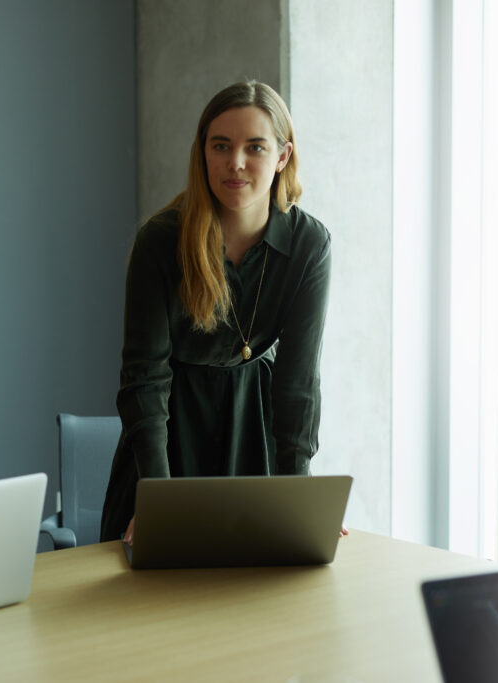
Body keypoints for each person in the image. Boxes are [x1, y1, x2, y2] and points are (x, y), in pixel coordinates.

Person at [100, 81, 333, 544]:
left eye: (255, 147)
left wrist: (300, 498)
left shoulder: (310, 244)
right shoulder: (161, 240)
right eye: (220, 146)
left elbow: (299, 384)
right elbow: (144, 379)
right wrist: (158, 500)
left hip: (254, 430)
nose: (236, 163)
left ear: (283, 157)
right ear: (202, 152)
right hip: (165, 439)